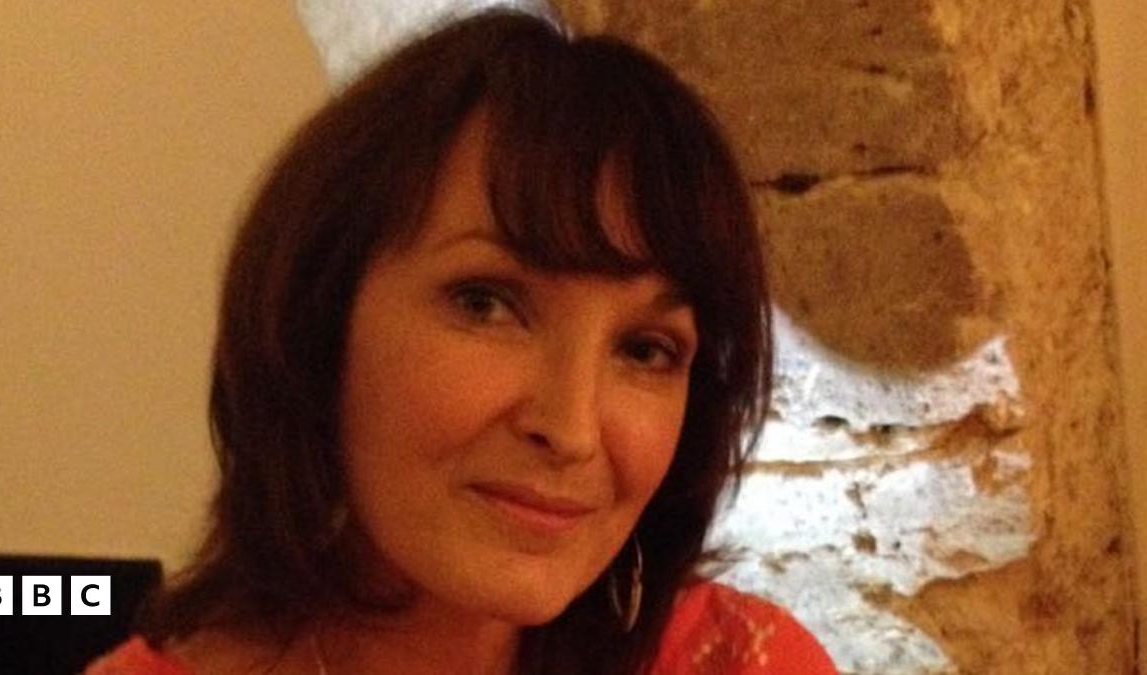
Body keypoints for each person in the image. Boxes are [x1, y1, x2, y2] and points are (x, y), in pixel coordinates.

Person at [87, 9, 835, 675]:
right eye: (487, 304)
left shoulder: (742, 661)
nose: (571, 430)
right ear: (318, 317)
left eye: (645, 350)